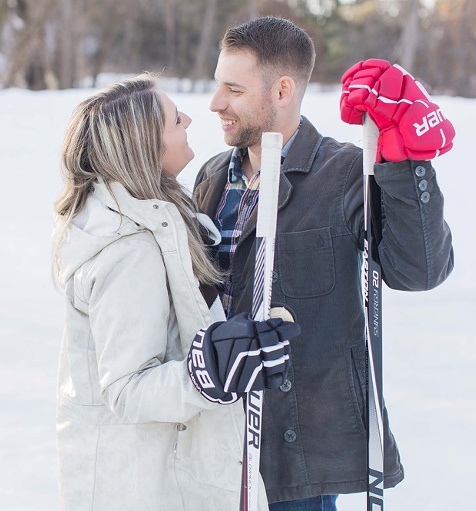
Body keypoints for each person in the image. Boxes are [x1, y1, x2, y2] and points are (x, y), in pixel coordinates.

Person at [193, 17, 455, 511]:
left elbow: (418, 270)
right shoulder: (211, 177)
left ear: (282, 90)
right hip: (217, 439)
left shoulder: (341, 175)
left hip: (299, 447)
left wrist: (404, 167)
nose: (215, 104)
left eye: (232, 89)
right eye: (216, 86)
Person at [52, 74, 302, 510]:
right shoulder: (128, 249)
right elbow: (127, 388)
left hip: (168, 472)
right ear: (143, 145)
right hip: (140, 486)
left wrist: (239, 342)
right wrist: (208, 371)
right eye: (173, 119)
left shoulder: (163, 217)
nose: (188, 117)